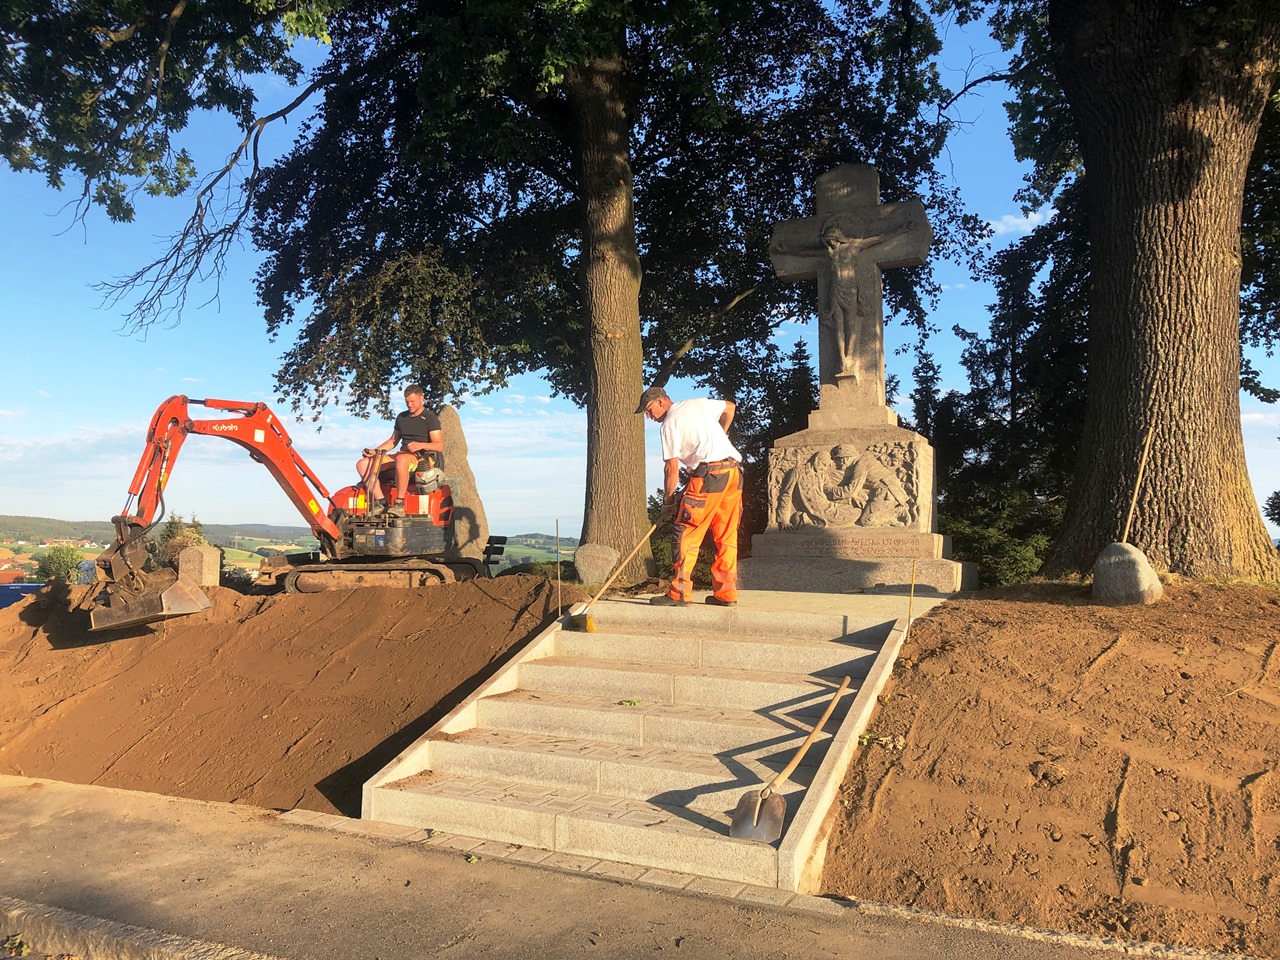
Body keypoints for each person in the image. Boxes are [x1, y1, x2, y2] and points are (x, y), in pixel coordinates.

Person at [637, 385, 743, 607]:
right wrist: (720, 436)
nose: (648, 416)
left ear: (660, 402)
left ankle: (679, 593)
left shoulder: (669, 424)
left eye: (648, 410)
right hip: (734, 473)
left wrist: (668, 500)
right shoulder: (696, 404)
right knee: (726, 535)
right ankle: (726, 594)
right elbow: (730, 408)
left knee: (686, 532)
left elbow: (671, 468)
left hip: (709, 478)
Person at [356, 385, 444, 516]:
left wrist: (421, 445)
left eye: (413, 401)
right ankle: (381, 502)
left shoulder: (430, 418)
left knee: (401, 459)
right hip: (401, 454)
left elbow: (439, 446)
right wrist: (376, 451)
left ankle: (399, 503)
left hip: (421, 458)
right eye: (407, 401)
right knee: (362, 464)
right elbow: (393, 441)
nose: (409, 404)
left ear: (422, 399)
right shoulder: (401, 418)